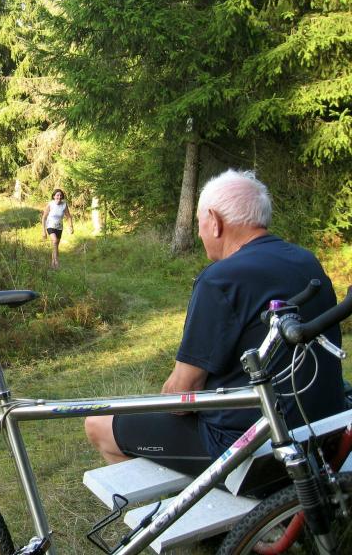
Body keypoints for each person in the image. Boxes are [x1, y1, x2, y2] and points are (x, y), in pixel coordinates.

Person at [85, 169, 345, 475]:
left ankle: (186, 506)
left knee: (98, 424)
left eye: (199, 223)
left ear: (214, 221)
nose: (199, 233)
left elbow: (182, 396)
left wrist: (160, 402)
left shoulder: (220, 279)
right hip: (324, 434)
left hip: (254, 449)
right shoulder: (306, 260)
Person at [41, 189, 74, 269]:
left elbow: (68, 216)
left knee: (55, 245)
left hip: (59, 227)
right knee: (55, 241)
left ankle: (53, 264)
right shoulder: (50, 204)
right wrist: (43, 231)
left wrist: (71, 227)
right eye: (57, 195)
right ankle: (56, 262)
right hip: (50, 226)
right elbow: (44, 217)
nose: (59, 197)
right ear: (54, 196)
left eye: (60, 195)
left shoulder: (64, 205)